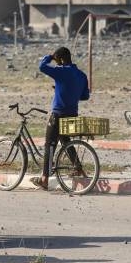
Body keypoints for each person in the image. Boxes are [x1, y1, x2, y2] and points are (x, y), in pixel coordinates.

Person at [35, 46, 90, 190]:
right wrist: (66, 90)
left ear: (60, 60)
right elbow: (85, 96)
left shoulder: (61, 71)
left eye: (57, 60)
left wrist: (50, 57)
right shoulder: (82, 75)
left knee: (49, 144)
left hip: (58, 114)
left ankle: (45, 178)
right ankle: (78, 168)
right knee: (66, 141)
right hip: (72, 114)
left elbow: (42, 67)